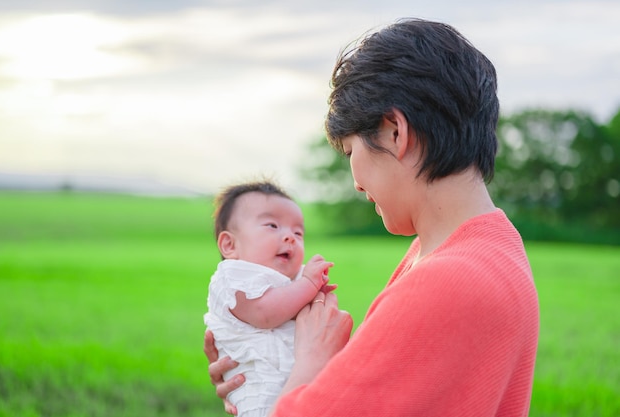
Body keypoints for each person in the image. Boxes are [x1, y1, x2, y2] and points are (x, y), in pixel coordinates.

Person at [204, 18, 539, 416]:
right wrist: (264, 372)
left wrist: (308, 361)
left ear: (395, 132)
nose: (357, 184)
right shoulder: (482, 249)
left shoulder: (448, 281)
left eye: (350, 153)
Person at [204, 180, 336, 417]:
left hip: (298, 386)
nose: (290, 237)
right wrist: (308, 285)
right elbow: (265, 313)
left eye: (298, 232)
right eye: (272, 226)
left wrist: (317, 296)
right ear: (229, 245)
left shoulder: (295, 279)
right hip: (261, 392)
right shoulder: (233, 276)